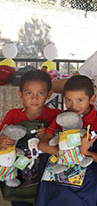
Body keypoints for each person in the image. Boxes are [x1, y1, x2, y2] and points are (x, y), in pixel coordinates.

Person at [37, 75, 97, 205]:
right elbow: (42, 145)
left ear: (92, 99)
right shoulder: (61, 119)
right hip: (55, 182)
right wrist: (67, 153)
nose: (73, 106)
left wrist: (85, 152)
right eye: (68, 100)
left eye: (80, 100)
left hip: (86, 185)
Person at [0, 71, 61, 206]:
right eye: (29, 93)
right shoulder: (13, 115)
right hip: (18, 177)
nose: (34, 98)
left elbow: (64, 141)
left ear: (49, 94)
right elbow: (1, 137)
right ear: (20, 94)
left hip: (46, 177)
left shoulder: (56, 116)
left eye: (40, 93)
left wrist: (51, 133)